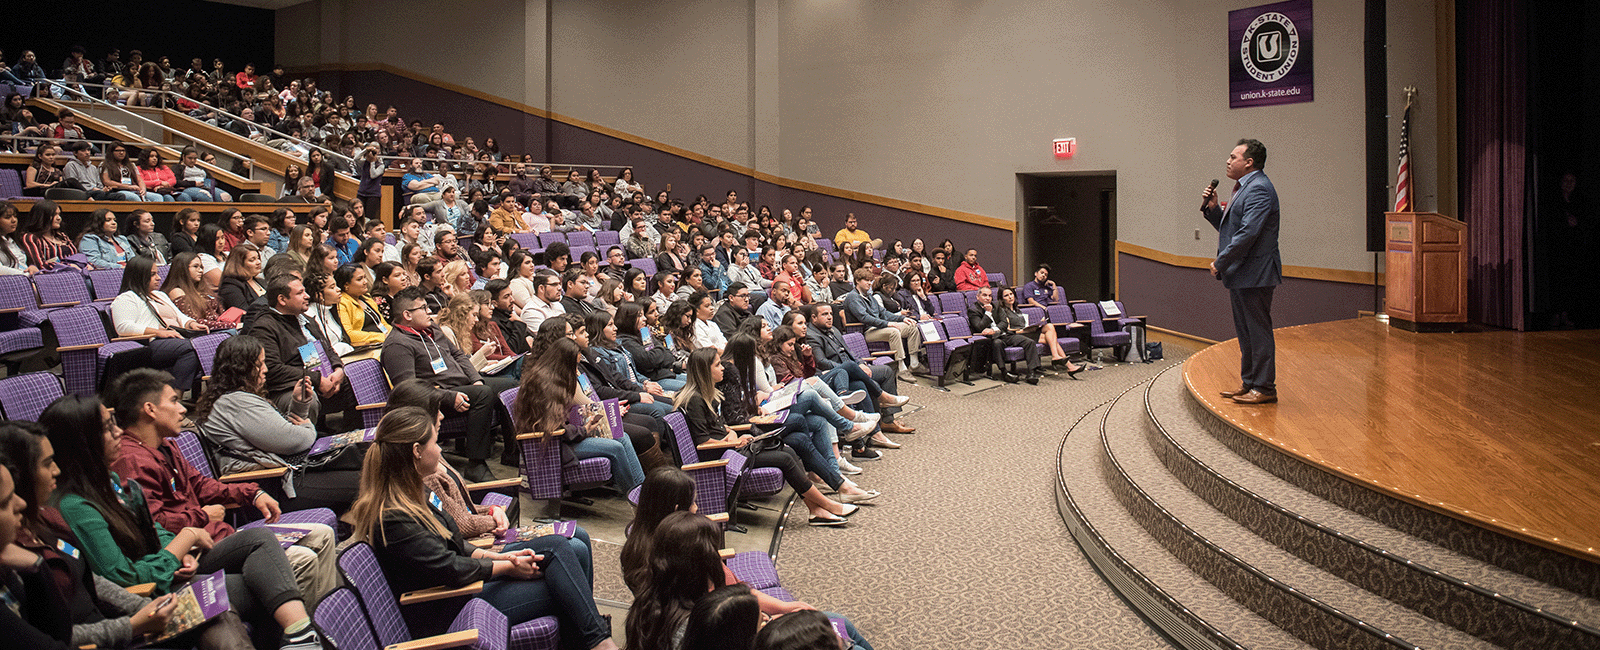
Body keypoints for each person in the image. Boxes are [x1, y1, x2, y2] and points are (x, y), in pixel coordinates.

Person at [43, 395, 328, 650]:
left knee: (262, 542)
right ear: (82, 442)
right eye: (107, 428)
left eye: (114, 423)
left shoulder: (113, 480)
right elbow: (125, 580)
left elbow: (157, 532)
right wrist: (185, 540)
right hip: (149, 595)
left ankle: (301, 637)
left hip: (173, 571)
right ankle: (302, 636)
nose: (118, 431)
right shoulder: (76, 506)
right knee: (261, 588)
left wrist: (183, 552)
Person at [346, 407, 618, 649]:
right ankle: (598, 641)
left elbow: (459, 546)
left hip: (460, 586)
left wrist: (503, 558)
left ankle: (589, 640)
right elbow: (450, 567)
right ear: (417, 451)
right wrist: (507, 567)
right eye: (435, 443)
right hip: (446, 606)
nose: (440, 450)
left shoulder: (412, 491)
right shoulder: (393, 516)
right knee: (565, 586)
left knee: (564, 547)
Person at [0, 420, 257, 650]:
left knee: (250, 585)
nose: (119, 433)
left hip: (141, 604)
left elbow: (95, 579)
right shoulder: (67, 512)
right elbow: (57, 636)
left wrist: (143, 609)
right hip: (124, 619)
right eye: (46, 464)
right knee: (245, 584)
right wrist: (133, 623)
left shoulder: (51, 518)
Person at [105, 369, 340, 602]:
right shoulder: (131, 461)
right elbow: (153, 525)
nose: (183, 409)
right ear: (150, 409)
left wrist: (253, 492)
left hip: (219, 536)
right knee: (302, 559)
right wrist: (202, 516)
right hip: (196, 552)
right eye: (174, 401)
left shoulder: (166, 446)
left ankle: (322, 621)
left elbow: (201, 485)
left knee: (323, 535)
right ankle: (295, 631)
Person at [674, 348, 860, 525]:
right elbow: (703, 441)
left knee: (787, 449)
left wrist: (732, 434)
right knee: (786, 458)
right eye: (717, 365)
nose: (722, 367)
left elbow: (720, 426)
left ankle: (816, 509)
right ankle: (827, 505)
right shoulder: (695, 400)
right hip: (721, 457)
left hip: (731, 448)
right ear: (704, 370)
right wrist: (732, 440)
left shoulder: (710, 395)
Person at [194, 336, 364, 515]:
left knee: (367, 460)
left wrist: (299, 406)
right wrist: (308, 429)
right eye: (259, 365)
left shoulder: (232, 398)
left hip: (285, 472)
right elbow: (293, 442)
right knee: (371, 479)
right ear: (242, 369)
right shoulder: (234, 403)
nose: (265, 370)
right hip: (274, 486)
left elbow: (280, 436)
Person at [382, 287, 515, 482]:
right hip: (435, 398)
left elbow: (457, 355)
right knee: (483, 394)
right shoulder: (397, 345)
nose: (429, 311)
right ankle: (476, 464)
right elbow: (408, 389)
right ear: (407, 315)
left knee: (511, 384)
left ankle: (512, 453)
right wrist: (447, 396)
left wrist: (475, 379)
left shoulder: (431, 329)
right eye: (423, 308)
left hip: (461, 383)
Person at [1201, 138, 1281, 405]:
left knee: (1258, 331)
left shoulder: (1259, 189)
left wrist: (1220, 262)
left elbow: (1248, 234)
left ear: (1249, 162)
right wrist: (1214, 210)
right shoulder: (1242, 188)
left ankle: (1265, 387)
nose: (1228, 160)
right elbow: (1231, 229)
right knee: (1245, 331)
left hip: (1256, 272)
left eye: (1233, 157)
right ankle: (1249, 383)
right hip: (1243, 273)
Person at [246, 274, 358, 428]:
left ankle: (352, 438)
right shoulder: (264, 327)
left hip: (319, 377)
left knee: (359, 382)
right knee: (307, 398)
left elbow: (329, 350)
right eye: (300, 293)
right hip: (287, 388)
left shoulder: (306, 319)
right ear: (282, 300)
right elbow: (272, 369)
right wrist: (317, 380)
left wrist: (338, 369)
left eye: (305, 291)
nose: (307, 296)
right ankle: (306, 447)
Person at [108, 256, 205, 391]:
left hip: (171, 337)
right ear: (139, 275)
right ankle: (174, 394)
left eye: (157, 273)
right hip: (148, 343)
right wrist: (158, 331)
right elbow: (123, 327)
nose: (159, 278)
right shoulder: (126, 298)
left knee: (206, 343)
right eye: (153, 274)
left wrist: (190, 323)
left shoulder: (160, 295)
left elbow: (179, 316)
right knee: (190, 348)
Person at [841, 269, 924, 375]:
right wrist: (887, 323)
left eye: (870, 280)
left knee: (911, 327)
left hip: (877, 328)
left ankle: (914, 364)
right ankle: (901, 367)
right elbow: (865, 318)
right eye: (866, 280)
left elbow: (883, 313)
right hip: (864, 332)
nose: (869, 283)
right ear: (857, 281)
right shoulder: (853, 297)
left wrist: (902, 319)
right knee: (893, 332)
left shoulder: (869, 296)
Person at [162, 252, 235, 330]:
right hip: (204, 332)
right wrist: (231, 325)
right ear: (183, 268)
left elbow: (221, 314)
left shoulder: (201, 288)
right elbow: (194, 322)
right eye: (195, 266)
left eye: (201, 267)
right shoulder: (177, 292)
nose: (200, 270)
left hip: (220, 327)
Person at [335, 264, 390, 348]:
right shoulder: (342, 302)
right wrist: (381, 337)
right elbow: (349, 334)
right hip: (366, 347)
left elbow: (382, 323)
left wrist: (393, 335)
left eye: (365, 277)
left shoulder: (366, 297)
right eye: (360, 279)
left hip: (384, 341)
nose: (365, 282)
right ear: (346, 285)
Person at [19, 200, 77, 270]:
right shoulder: (31, 238)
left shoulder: (62, 236)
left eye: (59, 214)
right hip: (50, 277)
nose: (59, 218)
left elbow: (76, 257)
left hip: (74, 273)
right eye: (54, 215)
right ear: (42, 216)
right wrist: (68, 266)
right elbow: (40, 266)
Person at [219, 242, 267, 311]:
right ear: (239, 264)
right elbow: (243, 313)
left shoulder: (261, 281)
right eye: (252, 260)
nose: (258, 262)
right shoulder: (230, 286)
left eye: (258, 258)